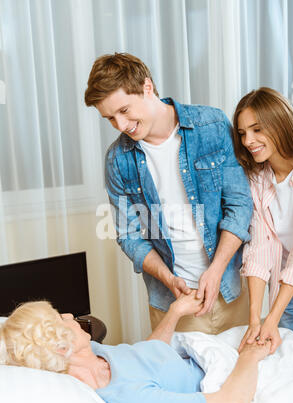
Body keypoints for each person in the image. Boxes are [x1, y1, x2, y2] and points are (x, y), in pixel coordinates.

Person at [84, 52, 253, 335]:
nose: (121, 125)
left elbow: (239, 204)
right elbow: (129, 234)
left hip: (230, 291)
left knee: (243, 375)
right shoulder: (117, 159)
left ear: (147, 87)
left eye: (124, 110)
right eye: (110, 118)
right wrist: (168, 277)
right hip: (173, 302)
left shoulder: (211, 125)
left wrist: (216, 269)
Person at [0, 298, 270, 403]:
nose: (71, 317)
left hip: (209, 355)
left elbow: (147, 359)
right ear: (60, 349)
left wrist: (175, 312)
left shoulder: (93, 354)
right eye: (61, 318)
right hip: (236, 382)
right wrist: (251, 356)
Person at [232, 87, 293, 354]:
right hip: (289, 290)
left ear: (279, 124)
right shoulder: (258, 179)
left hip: (290, 279)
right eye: (242, 133)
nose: (248, 140)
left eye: (257, 129)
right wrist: (254, 319)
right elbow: (259, 248)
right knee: (288, 362)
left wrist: (271, 318)